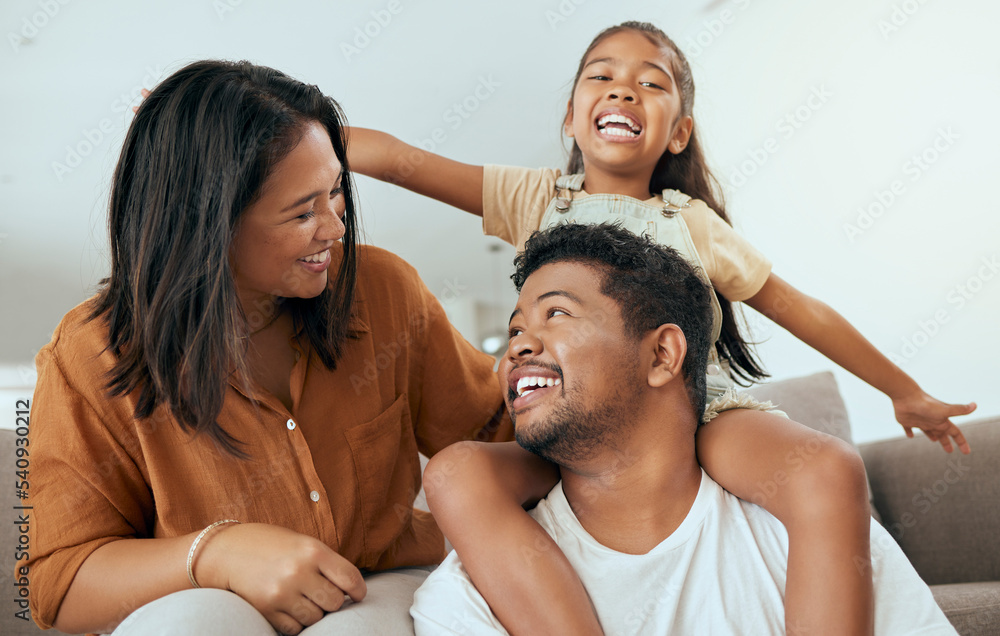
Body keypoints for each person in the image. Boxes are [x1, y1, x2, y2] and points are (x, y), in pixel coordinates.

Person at [348, 20, 976, 635]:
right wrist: (299, 144)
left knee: (826, 469)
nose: (623, 90)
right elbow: (403, 161)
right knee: (456, 474)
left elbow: (799, 308)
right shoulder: (535, 198)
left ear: (679, 132)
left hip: (699, 416)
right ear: (571, 117)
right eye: (602, 75)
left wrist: (903, 389)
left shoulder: (692, 224)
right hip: (580, 424)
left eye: (651, 83)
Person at [24, 60, 517, 636]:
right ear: (207, 223)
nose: (335, 228)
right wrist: (217, 554)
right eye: (302, 212)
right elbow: (56, 582)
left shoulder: (384, 292)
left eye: (336, 194)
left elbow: (498, 435)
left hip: (380, 582)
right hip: (196, 598)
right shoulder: (90, 354)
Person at [409, 222, 958, 635]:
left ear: (663, 354)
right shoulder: (467, 600)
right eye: (515, 329)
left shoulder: (803, 539)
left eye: (556, 314)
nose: (518, 345)